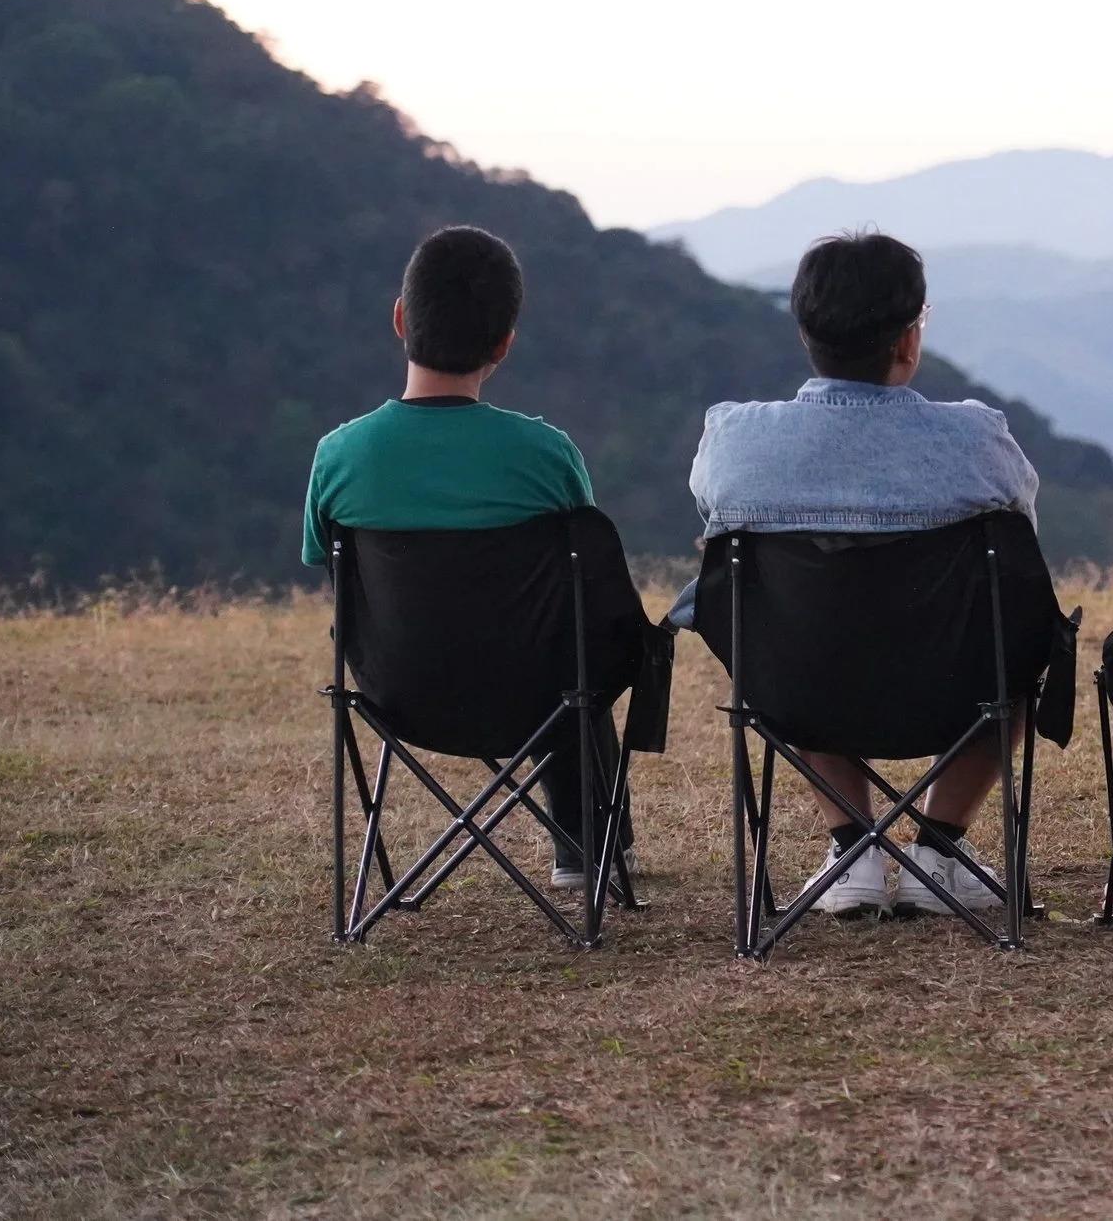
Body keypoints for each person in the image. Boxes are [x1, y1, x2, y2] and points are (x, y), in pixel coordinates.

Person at [681, 229, 1041, 919]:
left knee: (789, 628)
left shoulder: (736, 442)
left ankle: (853, 848)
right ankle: (938, 846)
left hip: (803, 689)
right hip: (957, 688)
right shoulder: (977, 440)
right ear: (908, 341)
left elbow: (713, 514)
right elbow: (1021, 539)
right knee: (1022, 647)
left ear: (806, 336)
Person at [300, 224, 632, 890]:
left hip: (398, 692)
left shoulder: (340, 455)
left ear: (400, 318)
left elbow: (329, 568)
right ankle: (587, 847)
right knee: (575, 651)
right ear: (504, 343)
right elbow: (582, 578)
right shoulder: (548, 456)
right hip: (535, 699)